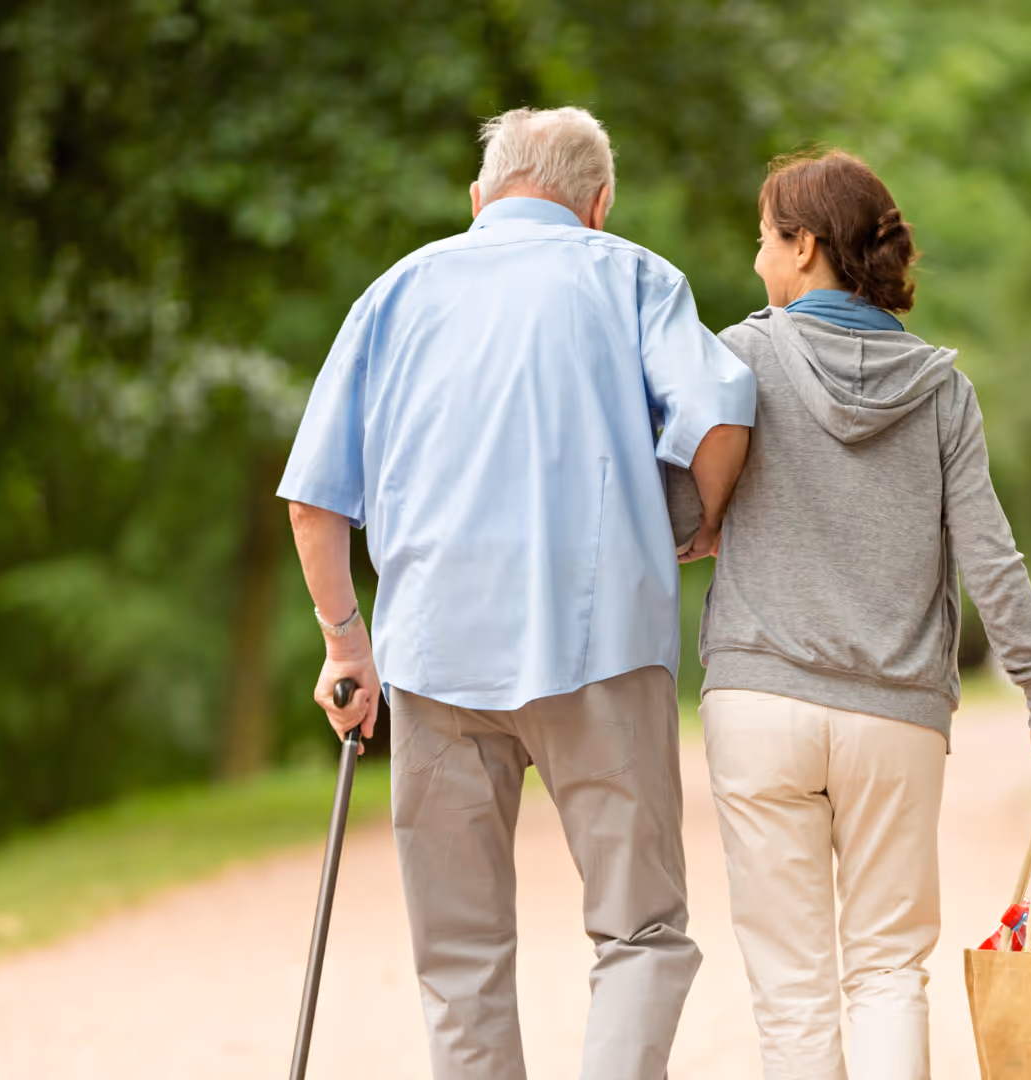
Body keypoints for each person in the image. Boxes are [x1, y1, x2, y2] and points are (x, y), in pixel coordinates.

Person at [277, 106, 756, 1080]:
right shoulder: (630, 276)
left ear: (478, 196)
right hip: (603, 649)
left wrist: (345, 645)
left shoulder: (396, 292)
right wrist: (697, 520)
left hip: (434, 661)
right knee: (640, 931)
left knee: (458, 959)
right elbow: (718, 414)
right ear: (600, 203)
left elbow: (313, 505)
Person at [691, 148, 1031, 1080]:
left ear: (805, 247)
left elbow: (679, 510)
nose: (756, 260)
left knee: (792, 989)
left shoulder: (740, 358)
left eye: (764, 239)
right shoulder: (942, 390)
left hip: (760, 700)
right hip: (895, 716)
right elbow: (990, 556)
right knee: (886, 972)